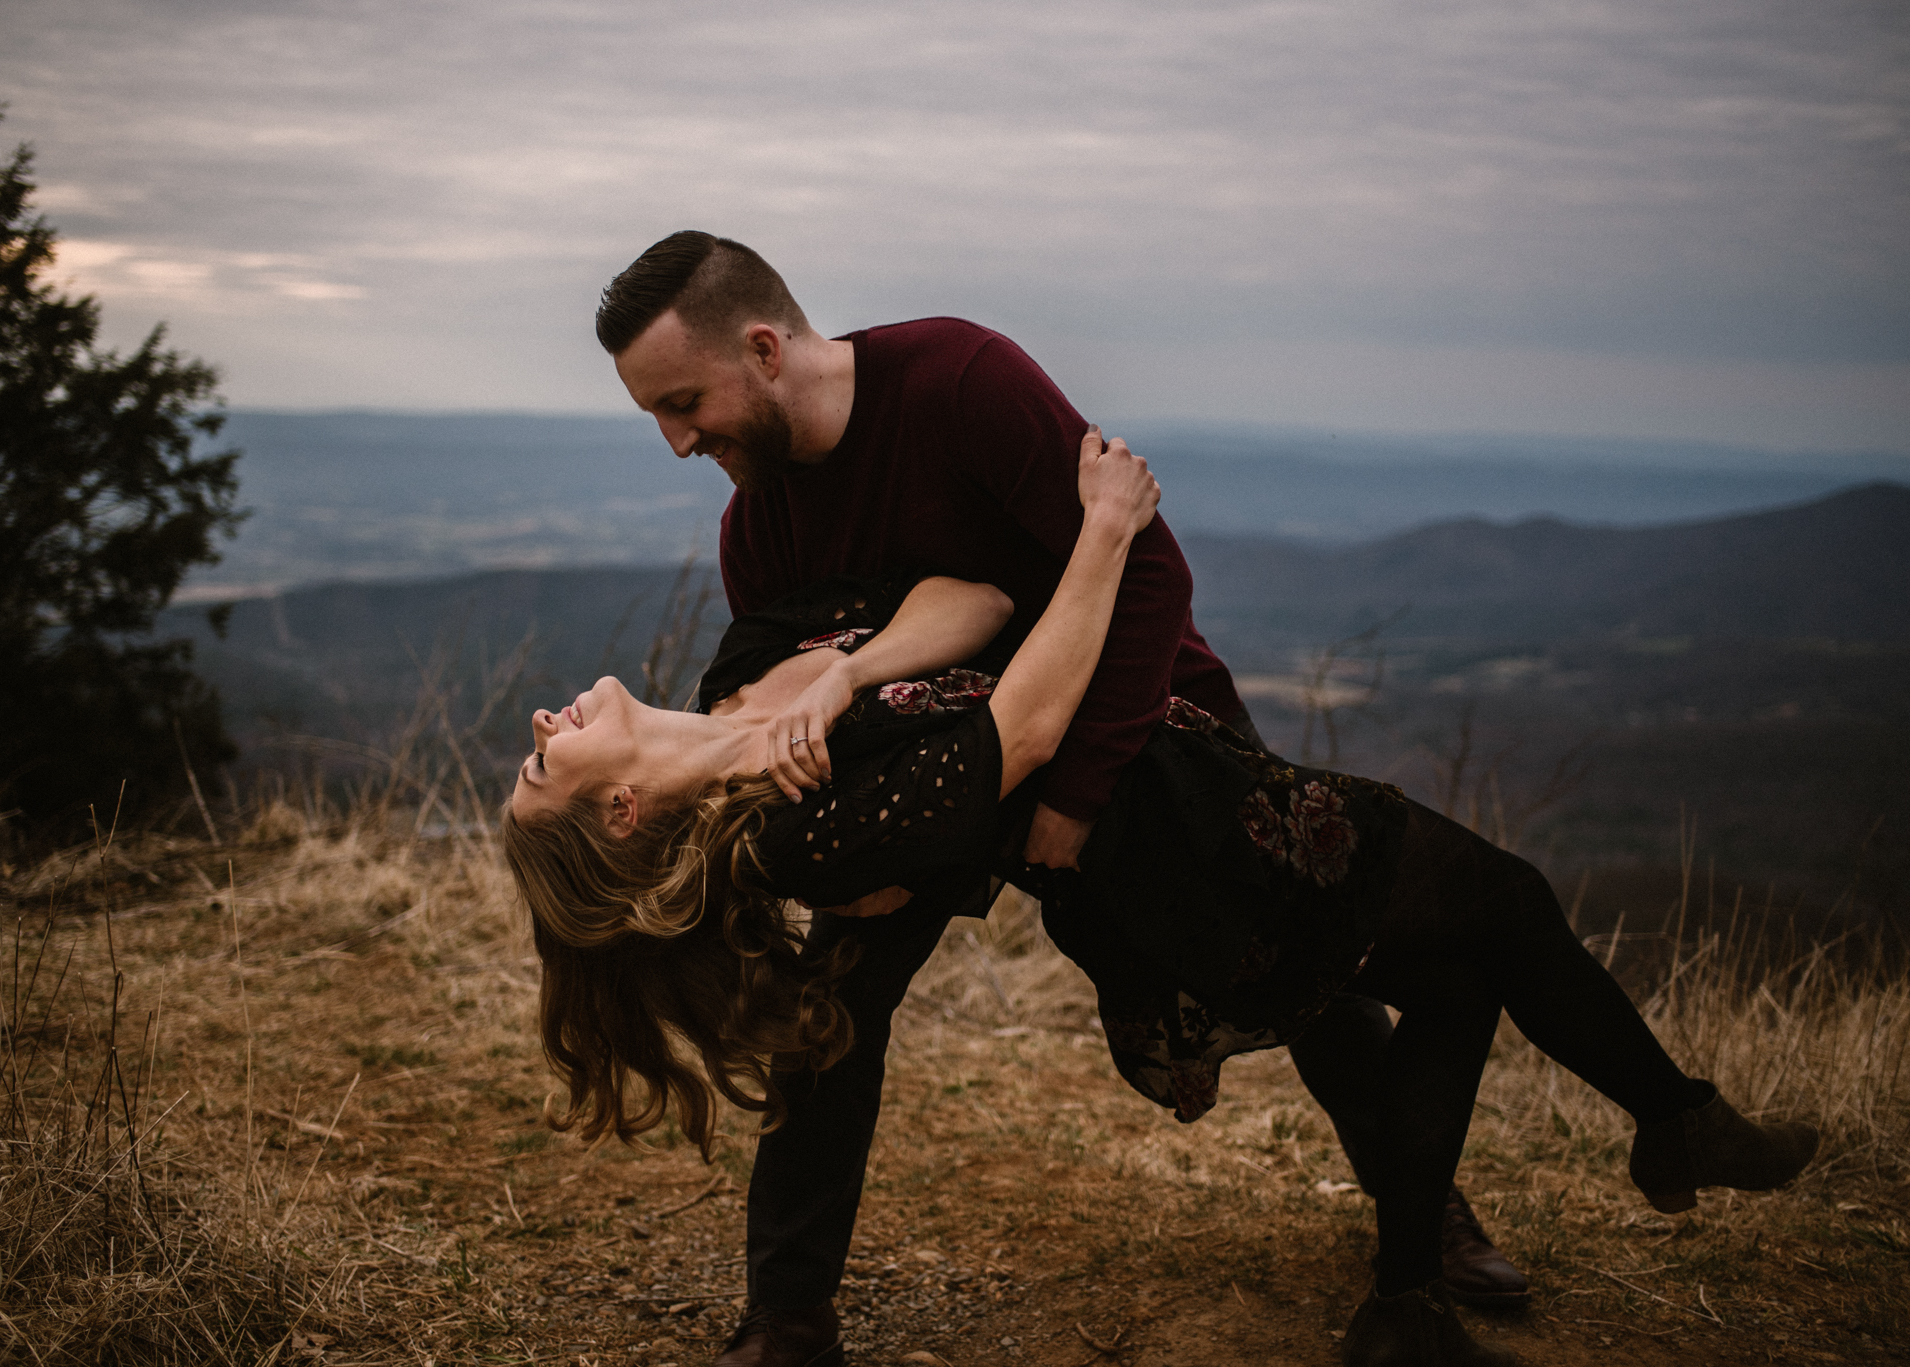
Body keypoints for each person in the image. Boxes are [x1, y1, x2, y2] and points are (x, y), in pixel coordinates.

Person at [503, 431, 1819, 1367]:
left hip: (1204, 794)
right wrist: (1109, 528)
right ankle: (1647, 1137)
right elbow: (1017, 731)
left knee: (1470, 967)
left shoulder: (753, 672)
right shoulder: (794, 832)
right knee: (1508, 908)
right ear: (621, 815)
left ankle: (1429, 1280)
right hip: (1196, 856)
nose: (544, 720)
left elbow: (969, 602)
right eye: (543, 763)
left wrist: (833, 680)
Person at [589, 231, 1529, 1366]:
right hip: (947, 772)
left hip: (1144, 730)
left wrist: (1077, 793)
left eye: (683, 403)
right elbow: (821, 708)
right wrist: (872, 868)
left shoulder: (959, 380)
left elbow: (1148, 571)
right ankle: (787, 1321)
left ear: (762, 345)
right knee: (834, 1000)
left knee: (1308, 963)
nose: (676, 440)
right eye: (657, 414)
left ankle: (1420, 1210)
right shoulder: (761, 528)